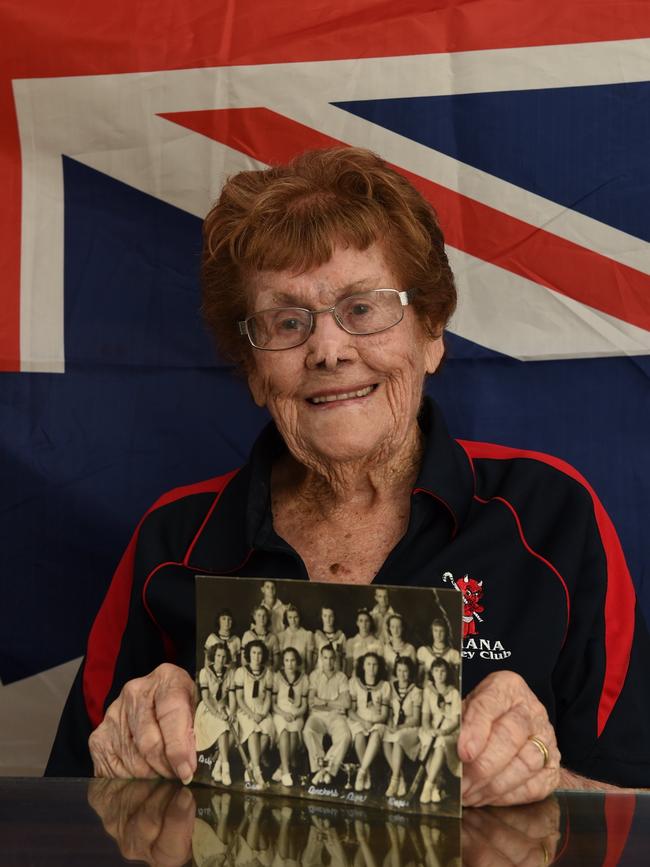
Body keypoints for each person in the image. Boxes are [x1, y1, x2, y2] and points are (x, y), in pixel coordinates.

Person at [48, 146, 650, 802]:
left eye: (363, 308)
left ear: (431, 331)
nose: (328, 349)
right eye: (287, 321)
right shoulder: (172, 542)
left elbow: (633, 814)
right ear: (253, 369)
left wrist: (542, 780)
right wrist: (121, 771)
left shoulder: (548, 517)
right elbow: (64, 817)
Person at [303, 644, 351, 784]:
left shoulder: (341, 677)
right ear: (320, 658)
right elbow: (311, 702)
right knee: (308, 731)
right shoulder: (314, 675)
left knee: (345, 736)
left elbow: (346, 704)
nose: (328, 662)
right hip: (317, 716)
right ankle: (322, 769)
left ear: (335, 659)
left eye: (331, 658)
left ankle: (323, 770)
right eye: (325, 658)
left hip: (336, 716)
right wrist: (334, 702)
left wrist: (323, 702)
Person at [418, 658, 461, 805]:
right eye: (436, 671)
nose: (439, 674)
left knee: (441, 742)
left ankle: (428, 784)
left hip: (449, 729)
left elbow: (456, 721)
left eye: (443, 671)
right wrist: (429, 729)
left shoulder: (454, 693)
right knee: (427, 741)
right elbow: (424, 718)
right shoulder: (428, 691)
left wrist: (445, 731)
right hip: (433, 727)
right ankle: (436, 786)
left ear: (447, 673)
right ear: (432, 673)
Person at [234, 639, 275, 788]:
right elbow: (239, 699)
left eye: (259, 653)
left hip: (262, 711)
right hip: (246, 711)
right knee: (252, 730)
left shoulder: (268, 673)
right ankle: (257, 772)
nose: (256, 656)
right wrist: (252, 714)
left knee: (267, 730)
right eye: (253, 653)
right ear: (248, 654)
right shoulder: (241, 672)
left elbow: (268, 698)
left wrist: (263, 714)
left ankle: (250, 767)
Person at [194, 642, 236, 785]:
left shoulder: (230, 673)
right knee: (223, 727)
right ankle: (226, 768)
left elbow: (231, 697)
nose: (221, 659)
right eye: (218, 656)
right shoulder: (204, 673)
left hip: (223, 707)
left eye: (224, 657)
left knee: (235, 726)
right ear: (213, 656)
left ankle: (217, 766)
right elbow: (206, 699)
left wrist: (233, 712)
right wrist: (218, 714)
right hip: (208, 710)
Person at [347, 652, 390, 792]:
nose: (372, 668)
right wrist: (363, 721)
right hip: (359, 720)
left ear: (379, 667)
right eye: (368, 664)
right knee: (359, 735)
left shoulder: (384, 686)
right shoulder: (355, 683)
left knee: (376, 733)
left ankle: (362, 772)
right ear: (363, 666)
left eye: (375, 665)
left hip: (377, 722)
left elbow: (384, 715)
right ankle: (368, 775)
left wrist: (372, 721)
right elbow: (350, 711)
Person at [383, 655, 422, 797]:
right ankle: (400, 778)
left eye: (405, 671)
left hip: (410, 729)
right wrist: (390, 726)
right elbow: (389, 713)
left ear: (410, 672)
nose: (402, 674)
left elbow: (417, 719)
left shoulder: (416, 691)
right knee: (385, 739)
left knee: (398, 739)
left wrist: (399, 728)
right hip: (395, 726)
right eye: (399, 670)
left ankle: (394, 781)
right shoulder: (391, 688)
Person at [271, 646, 309, 786]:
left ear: (297, 661)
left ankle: (281, 767)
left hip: (296, 713)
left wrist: (296, 714)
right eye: (287, 660)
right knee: (284, 731)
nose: (290, 664)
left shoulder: (304, 679)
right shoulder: (277, 677)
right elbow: (273, 704)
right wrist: (283, 713)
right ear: (283, 662)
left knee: (294, 734)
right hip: (280, 713)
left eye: (293, 660)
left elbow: (304, 705)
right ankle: (286, 771)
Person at [416, 618, 460, 683]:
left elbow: (456, 678)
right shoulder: (424, 651)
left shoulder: (453, 653)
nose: (438, 634)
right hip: (428, 690)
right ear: (432, 632)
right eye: (435, 631)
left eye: (441, 631)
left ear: (446, 632)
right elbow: (419, 678)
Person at [345, 609, 383, 677]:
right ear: (357, 623)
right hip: (355, 678)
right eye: (361, 621)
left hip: (372, 678)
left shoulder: (377, 642)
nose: (364, 624)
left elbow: (380, 665)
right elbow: (349, 666)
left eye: (367, 621)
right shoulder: (351, 642)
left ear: (370, 623)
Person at [242, 605, 281, 670]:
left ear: (267, 618)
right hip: (251, 672)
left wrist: (270, 672)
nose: (262, 618)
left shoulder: (273, 637)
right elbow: (243, 660)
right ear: (254, 617)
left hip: (267, 673)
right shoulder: (247, 635)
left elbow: (276, 661)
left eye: (264, 616)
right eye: (259, 615)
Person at [278, 604, 314, 672]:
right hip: (284, 675)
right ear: (286, 618)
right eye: (290, 617)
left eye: (296, 617)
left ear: (300, 617)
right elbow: (280, 662)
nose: (293, 621)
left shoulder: (307, 635)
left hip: (301, 674)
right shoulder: (281, 636)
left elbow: (309, 663)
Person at [382, 613, 416, 678]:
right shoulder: (385, 648)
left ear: (403, 628)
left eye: (399, 626)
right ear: (389, 628)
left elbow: (413, 672)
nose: (395, 630)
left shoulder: (410, 648)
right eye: (393, 627)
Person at [313, 606, 346, 671]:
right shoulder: (317, 636)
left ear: (334, 617)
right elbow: (314, 657)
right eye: (325, 616)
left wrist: (343, 674)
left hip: (337, 674)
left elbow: (344, 658)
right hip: (320, 673)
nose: (328, 619)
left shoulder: (341, 636)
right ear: (321, 617)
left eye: (331, 616)